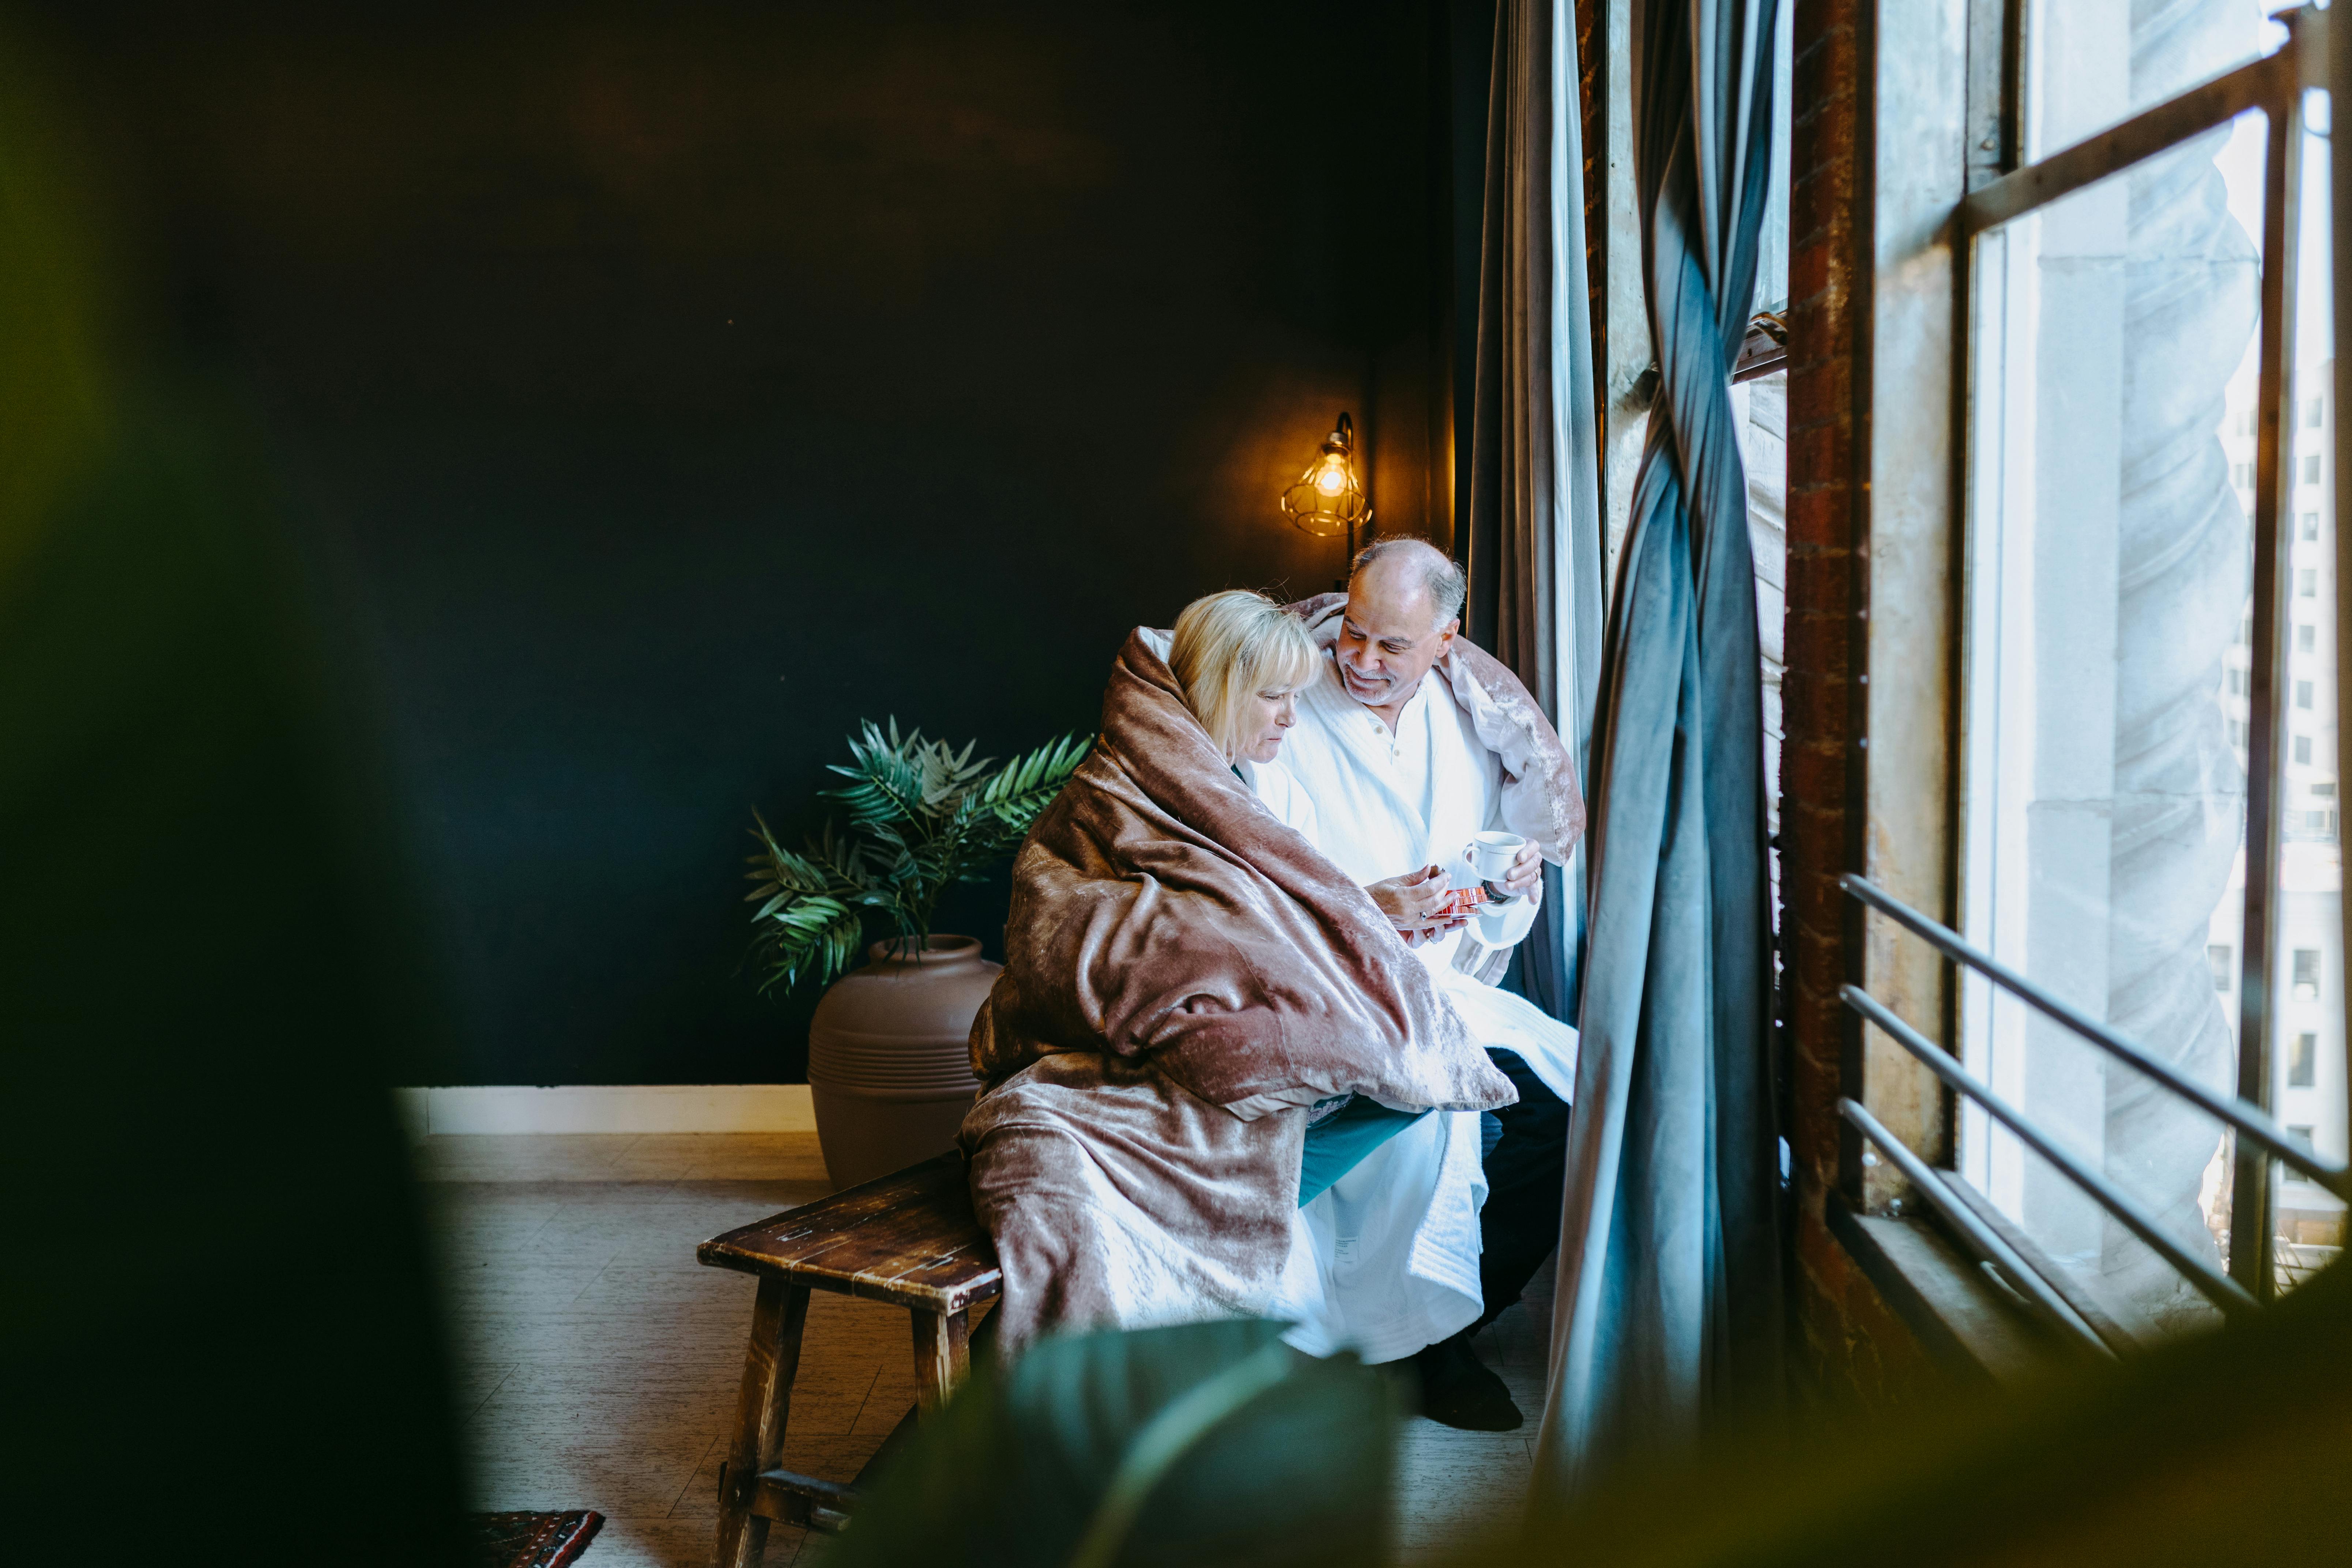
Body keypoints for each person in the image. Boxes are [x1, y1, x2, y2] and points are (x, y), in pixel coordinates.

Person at [960, 593, 1517, 1362]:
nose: (1292, 716)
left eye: (1295, 694)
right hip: (1115, 1067)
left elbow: (1276, 919)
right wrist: (1239, 956)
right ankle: (1190, 1263)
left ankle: (1236, 1262)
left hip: (1221, 1049)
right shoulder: (1114, 794)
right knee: (1413, 1096)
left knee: (1434, 1093)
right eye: (1275, 696)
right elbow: (1074, 934)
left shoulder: (1246, 788)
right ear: (1222, 687)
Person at [1274, 537, 1586, 1431]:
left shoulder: (1466, 724)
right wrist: (1363, 909)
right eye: (1355, 635)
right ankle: (1386, 1346)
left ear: (1446, 641)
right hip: (1321, 986)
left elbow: (1489, 881)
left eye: (1392, 646)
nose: (1363, 661)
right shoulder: (1286, 709)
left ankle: (1442, 1333)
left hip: (1440, 988)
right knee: (1416, 1130)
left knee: (1567, 1116)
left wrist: (1507, 890)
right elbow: (1242, 873)